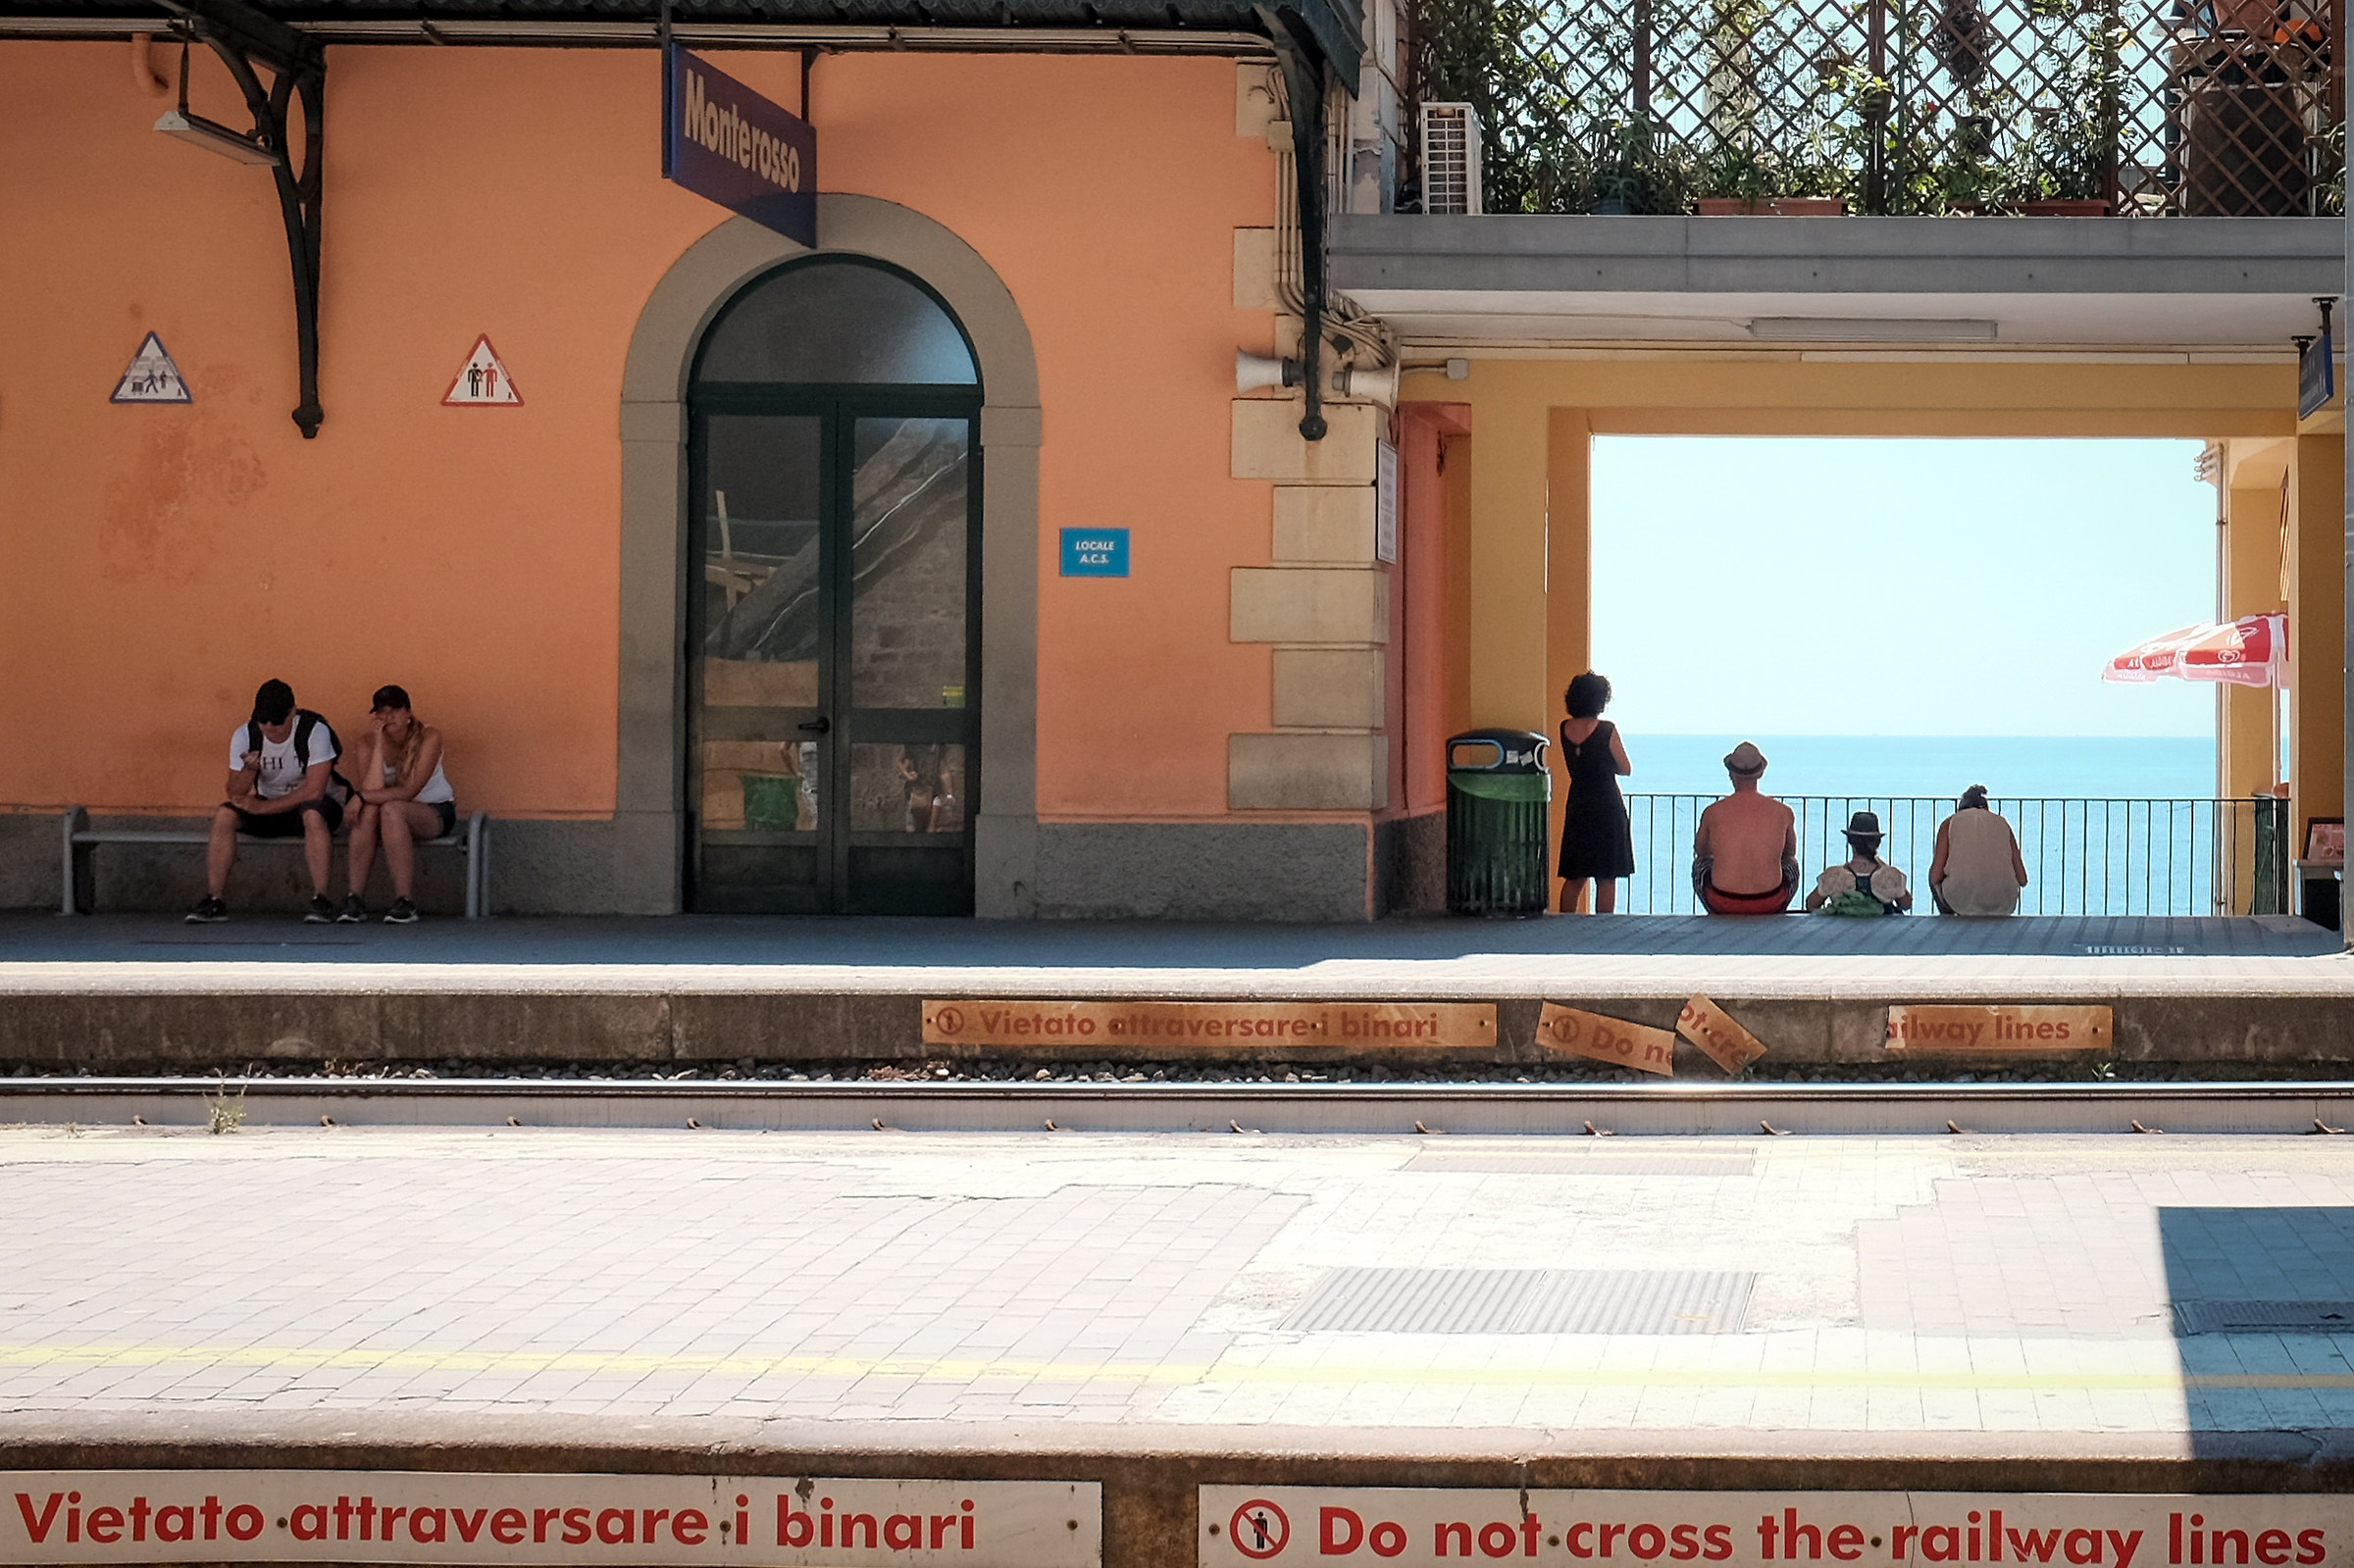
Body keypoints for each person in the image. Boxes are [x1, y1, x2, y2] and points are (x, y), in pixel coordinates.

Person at [188, 679, 348, 924]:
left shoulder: (314, 731)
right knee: (225, 814)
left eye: (277, 722)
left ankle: (321, 899)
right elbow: (234, 792)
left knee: (312, 814)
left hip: (314, 807)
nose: (270, 727)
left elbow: (314, 791)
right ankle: (214, 899)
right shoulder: (246, 735)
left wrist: (262, 807)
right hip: (269, 807)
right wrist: (249, 772)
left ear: (292, 713)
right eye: (263, 721)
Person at [338, 684, 456, 925]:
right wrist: (379, 744)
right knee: (370, 810)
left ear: (408, 712)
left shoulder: (429, 737)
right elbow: (372, 791)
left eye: (394, 710)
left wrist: (359, 797)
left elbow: (409, 790)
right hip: (387, 815)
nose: (387, 717)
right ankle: (355, 897)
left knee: (390, 808)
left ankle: (405, 900)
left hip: (433, 810)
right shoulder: (367, 743)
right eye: (381, 712)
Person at [1555, 671, 1635, 913]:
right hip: (1606, 804)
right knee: (1606, 876)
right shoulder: (1606, 729)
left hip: (1578, 802)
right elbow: (1625, 767)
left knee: (1575, 875)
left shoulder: (1564, 728)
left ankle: (1564, 924)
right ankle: (1604, 928)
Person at [1692, 740, 1798, 915]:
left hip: (1722, 901)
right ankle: (1778, 913)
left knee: (1700, 865)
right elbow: (1790, 854)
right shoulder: (1783, 812)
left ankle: (1713, 914)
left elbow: (1701, 851)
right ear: (1761, 773)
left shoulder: (1712, 812)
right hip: (1770, 901)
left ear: (1731, 773)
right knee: (1791, 865)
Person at [1929, 784, 2028, 916]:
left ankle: (1948, 920)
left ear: (1960, 808)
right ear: (1986, 808)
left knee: (1935, 882)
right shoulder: (2002, 823)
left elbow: (1935, 876)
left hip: (1961, 901)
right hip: (2004, 902)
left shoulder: (1949, 823)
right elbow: (2022, 879)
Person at [1806, 809, 1915, 915]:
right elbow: (1906, 904)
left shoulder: (1834, 876)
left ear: (1850, 841)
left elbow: (1811, 904)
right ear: (1878, 842)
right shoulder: (1890, 876)